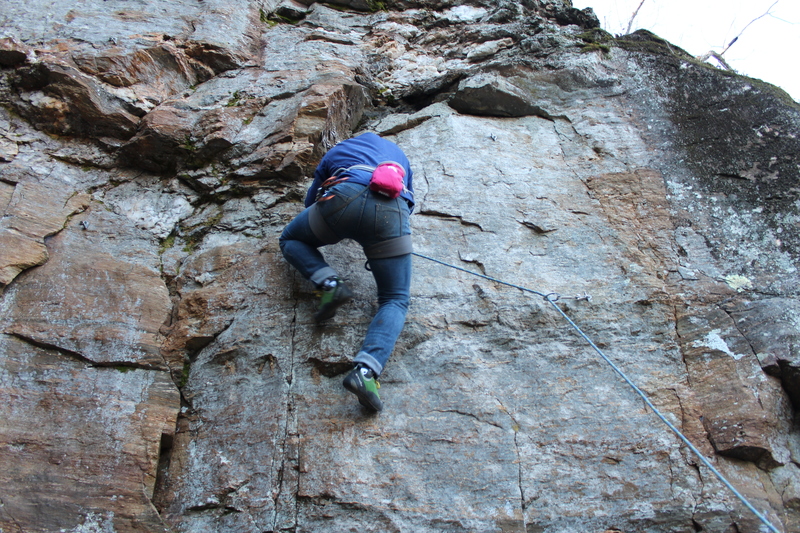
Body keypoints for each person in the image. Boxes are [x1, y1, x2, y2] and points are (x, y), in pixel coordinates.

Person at [279, 132, 414, 412]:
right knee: (395, 298)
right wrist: (378, 238)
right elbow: (408, 202)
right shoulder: (400, 156)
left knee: (291, 239)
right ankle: (366, 373)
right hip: (392, 213)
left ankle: (328, 283)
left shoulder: (339, 150)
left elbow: (311, 202)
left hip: (344, 195)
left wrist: (341, 225)